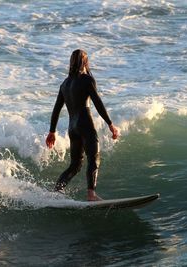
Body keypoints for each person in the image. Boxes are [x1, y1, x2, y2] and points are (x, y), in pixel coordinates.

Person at [46, 49, 119, 201]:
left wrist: (52, 131)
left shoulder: (64, 84)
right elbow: (97, 102)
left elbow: (56, 109)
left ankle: (57, 191)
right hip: (85, 124)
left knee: (75, 165)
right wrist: (110, 124)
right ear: (85, 62)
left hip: (72, 128)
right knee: (94, 157)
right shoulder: (87, 80)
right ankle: (91, 194)